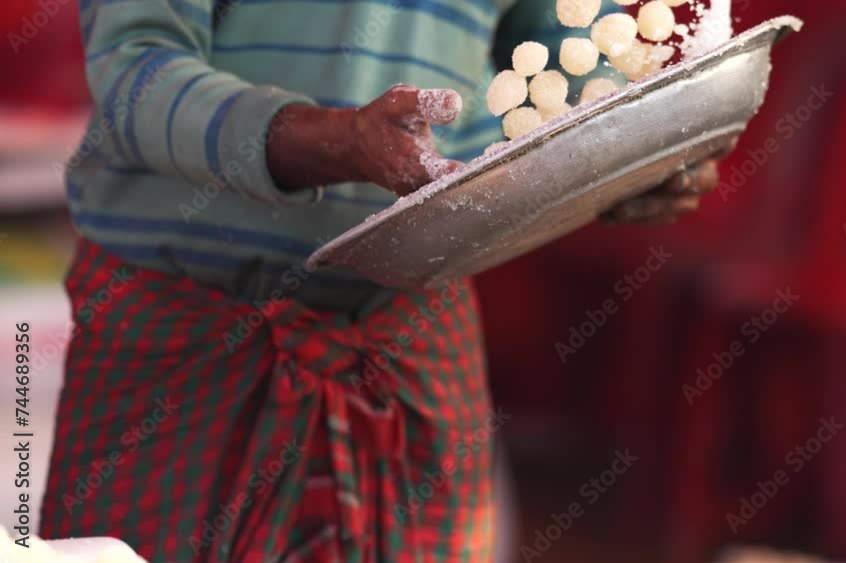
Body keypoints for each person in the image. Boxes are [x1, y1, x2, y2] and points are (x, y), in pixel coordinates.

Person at [40, 0, 721, 561]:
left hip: (410, 334)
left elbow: (561, 67)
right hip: (186, 342)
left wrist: (632, 151)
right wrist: (334, 140)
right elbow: (136, 67)